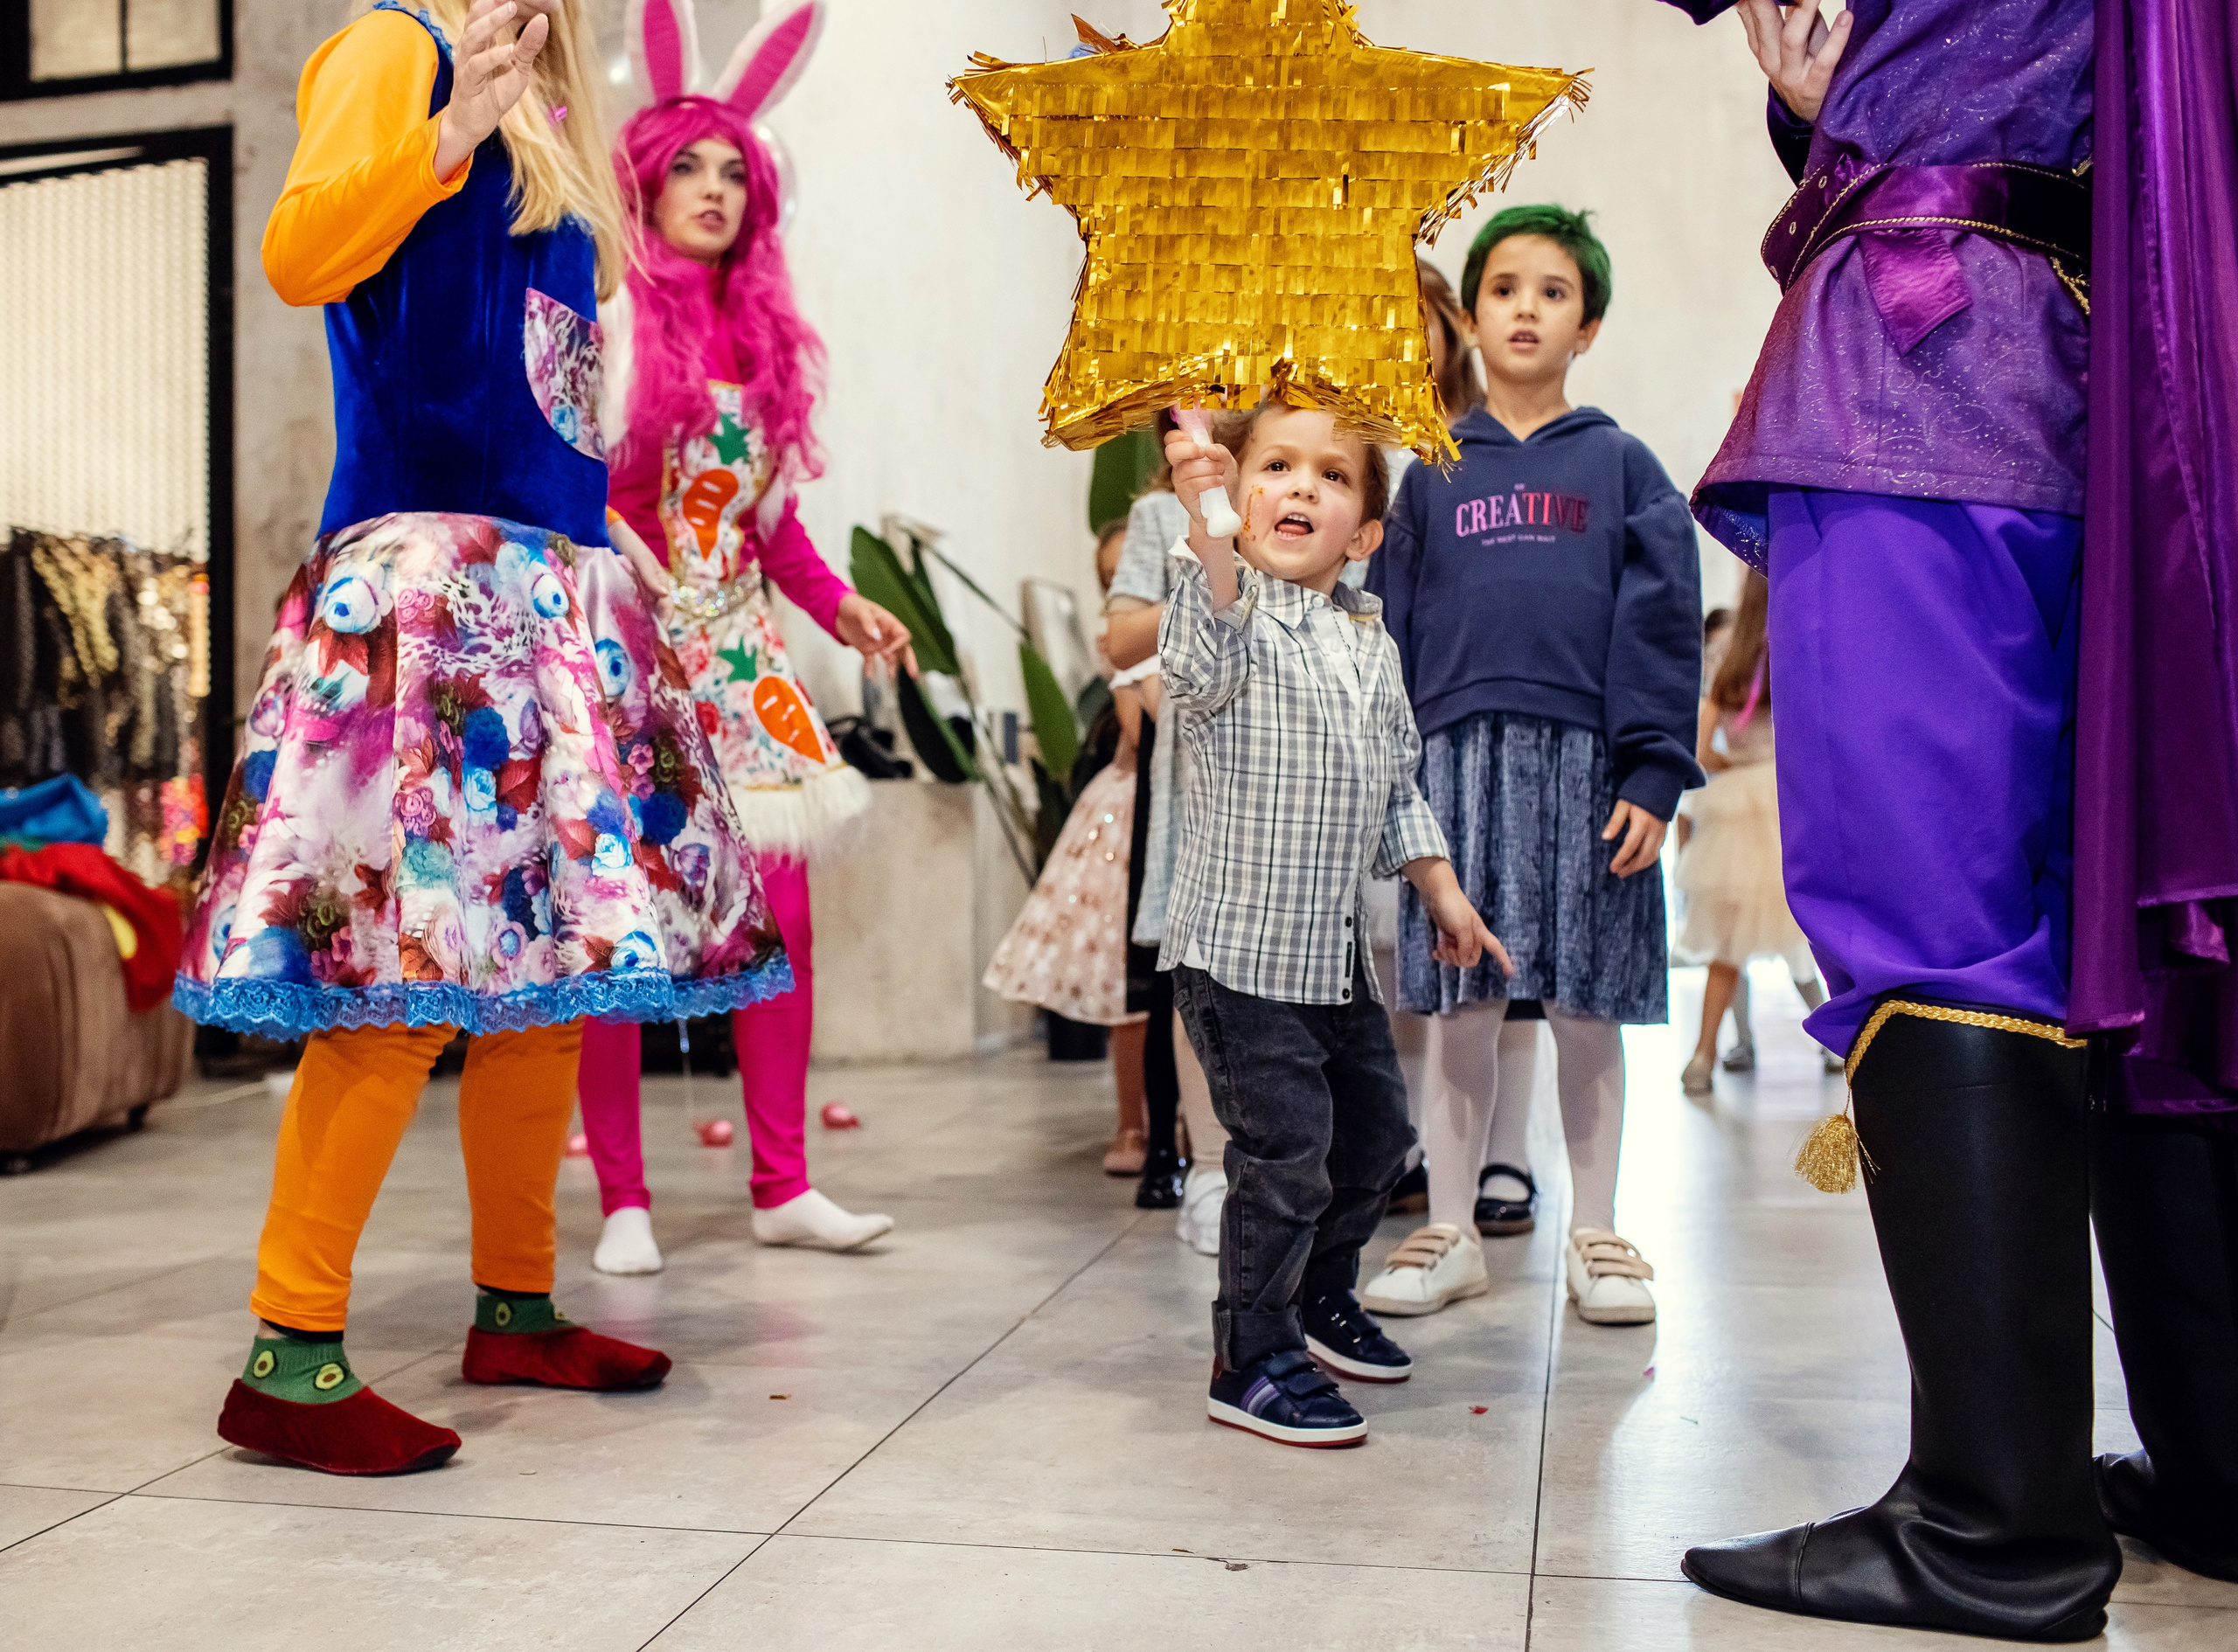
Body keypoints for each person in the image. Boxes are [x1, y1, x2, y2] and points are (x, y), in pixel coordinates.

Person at [173, 0, 785, 1478]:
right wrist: (442, 137)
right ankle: (288, 1354)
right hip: (430, 585)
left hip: (544, 588)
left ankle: (517, 1304)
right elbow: (298, 255)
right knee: (401, 983)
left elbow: (550, 396)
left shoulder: (551, 112)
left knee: (544, 980)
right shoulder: (400, 50)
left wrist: (614, 555)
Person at [1651, 1, 2127, 1637]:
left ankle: (1997, 1525)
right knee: (2104, 922)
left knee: (1934, 925)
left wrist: (1837, 105)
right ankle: (2208, 1464)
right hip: (2089, 368)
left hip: (1919, 382)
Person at [574, 0, 912, 1275]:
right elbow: (574, 483)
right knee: (618, 932)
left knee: (783, 917)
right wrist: (629, 560)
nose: (714, 189)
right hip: (623, 656)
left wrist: (842, 606)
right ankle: (624, 1200)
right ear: (645, 183)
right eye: (689, 169)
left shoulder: (762, 344)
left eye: (734, 172)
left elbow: (772, 531)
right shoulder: (610, 321)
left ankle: (784, 1183)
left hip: (743, 661)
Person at [1361, 205, 1701, 1325]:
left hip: (1589, 769)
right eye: (1504, 288)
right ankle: (1451, 1229)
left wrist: (1652, 771)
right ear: (1469, 315)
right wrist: (1393, 780)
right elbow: (1389, 634)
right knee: (1459, 1007)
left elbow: (1663, 624)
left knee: (1583, 1007)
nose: (1525, 309)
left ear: (1586, 326)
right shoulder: (1430, 476)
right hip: (1453, 766)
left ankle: (1596, 1232)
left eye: (1553, 293)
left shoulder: (1624, 465)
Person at [1157, 403, 1508, 1448]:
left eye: (1331, 475)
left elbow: (1396, 784)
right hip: (1237, 953)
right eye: (1274, 466)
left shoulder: (1367, 638)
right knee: (1285, 1152)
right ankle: (1250, 1356)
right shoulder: (1225, 605)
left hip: (1330, 949)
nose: (1300, 486)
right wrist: (1207, 525)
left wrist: (1441, 890)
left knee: (1375, 1138)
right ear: (1239, 495)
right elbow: (1199, 662)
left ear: (1364, 534)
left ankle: (1317, 1296)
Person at [1104, 416, 1234, 1253]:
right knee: (1192, 969)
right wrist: (1214, 573)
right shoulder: (1156, 517)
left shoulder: (1288, 492)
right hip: (1192, 765)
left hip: (1289, 760)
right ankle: (1205, 1162)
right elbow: (1120, 637)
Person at [984, 530, 1147, 1055]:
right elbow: (1139, 731)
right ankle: (1133, 1105)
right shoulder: (1125, 646)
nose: (1127, 582)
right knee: (1127, 978)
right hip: (1130, 803)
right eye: (1113, 577)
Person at [1674, 572, 1832, 1094]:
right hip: (1781, 805)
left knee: (1728, 944)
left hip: (1736, 812)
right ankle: (1836, 1043)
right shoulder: (1794, 655)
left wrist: (1736, 765)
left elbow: (1701, 751)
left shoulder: (1729, 669)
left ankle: (1704, 1057)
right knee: (1798, 938)